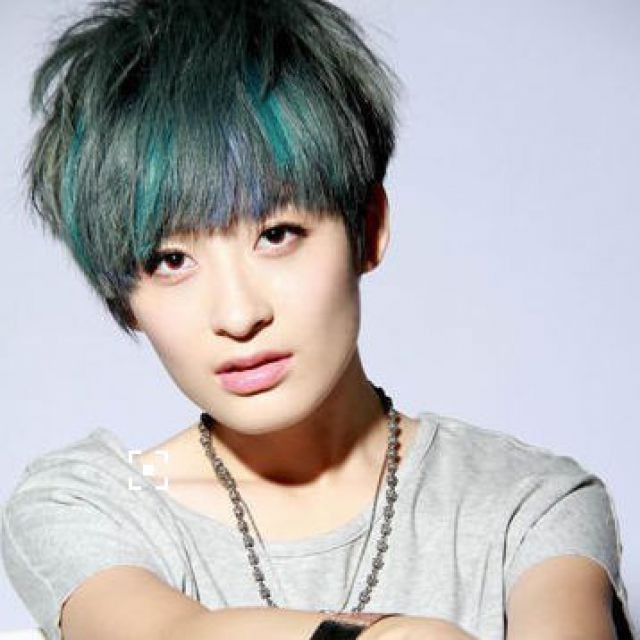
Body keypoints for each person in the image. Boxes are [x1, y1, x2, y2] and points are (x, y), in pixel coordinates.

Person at [0, 1, 634, 639]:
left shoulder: (529, 505)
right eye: (171, 260)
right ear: (123, 297)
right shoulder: (91, 505)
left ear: (369, 228)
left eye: (277, 234)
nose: (239, 315)